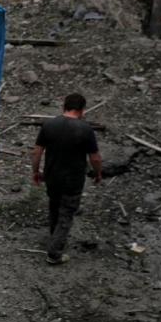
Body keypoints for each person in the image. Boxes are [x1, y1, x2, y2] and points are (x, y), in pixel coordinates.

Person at [31, 93, 102, 265]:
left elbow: (37, 151)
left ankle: (54, 236)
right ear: (82, 110)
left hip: (52, 176)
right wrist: (98, 173)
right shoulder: (85, 130)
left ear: (64, 107)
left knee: (54, 206)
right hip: (73, 179)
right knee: (67, 213)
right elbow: (95, 158)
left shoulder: (49, 125)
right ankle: (54, 253)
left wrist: (35, 171)